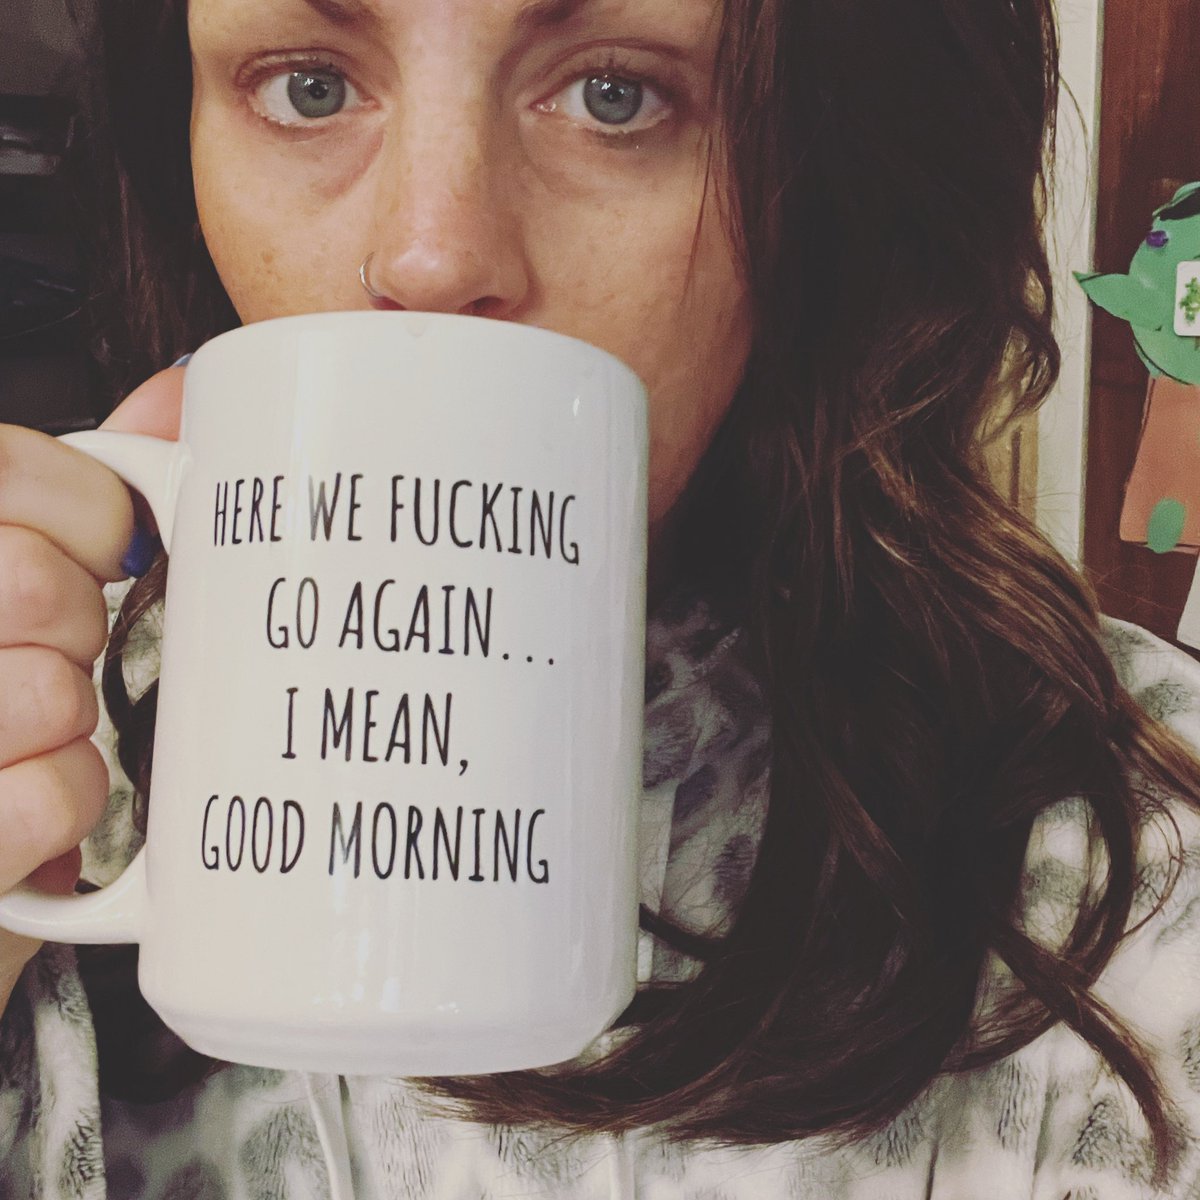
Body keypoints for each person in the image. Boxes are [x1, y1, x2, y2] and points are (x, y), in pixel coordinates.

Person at [4, 0, 1200, 1196]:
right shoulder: (57, 771)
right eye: (308, 86)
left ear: (822, 176)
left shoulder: (1136, 838)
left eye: (615, 95)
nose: (429, 258)